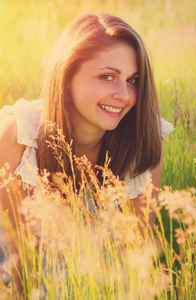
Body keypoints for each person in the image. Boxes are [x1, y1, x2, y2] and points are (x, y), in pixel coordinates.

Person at [0, 12, 174, 290]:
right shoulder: (18, 136)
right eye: (107, 77)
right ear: (67, 75)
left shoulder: (143, 137)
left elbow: (138, 257)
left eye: (133, 80)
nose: (124, 95)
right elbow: (20, 265)